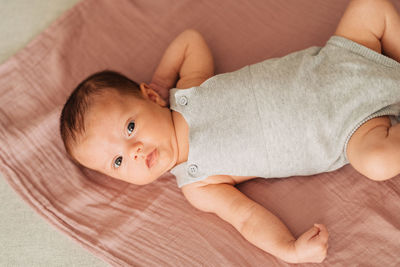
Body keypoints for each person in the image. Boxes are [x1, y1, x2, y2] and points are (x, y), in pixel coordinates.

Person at [59, 0, 400, 263]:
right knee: (378, 163)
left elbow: (190, 41)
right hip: (353, 129)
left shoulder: (190, 90)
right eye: (117, 162)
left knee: (370, 7)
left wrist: (163, 82)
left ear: (150, 96)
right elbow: (247, 218)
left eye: (130, 127)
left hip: (341, 61)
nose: (133, 151)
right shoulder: (199, 183)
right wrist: (288, 248)